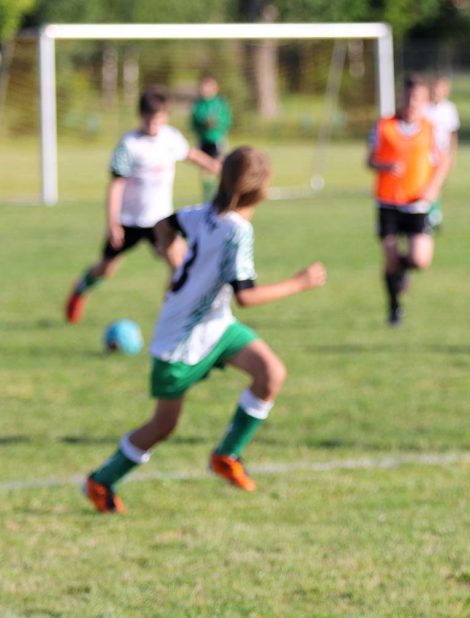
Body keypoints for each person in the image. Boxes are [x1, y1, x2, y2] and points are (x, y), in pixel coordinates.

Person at [83, 147, 327, 513]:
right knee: (163, 425)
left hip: (215, 325)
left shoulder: (204, 213)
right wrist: (300, 283)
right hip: (180, 339)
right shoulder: (237, 231)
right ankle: (101, 480)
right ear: (259, 191)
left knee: (270, 373)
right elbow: (246, 296)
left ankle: (226, 455)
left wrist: (176, 266)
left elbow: (164, 225)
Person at [64, 87, 221, 324]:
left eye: (158, 119)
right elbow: (115, 186)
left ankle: (172, 314)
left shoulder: (170, 137)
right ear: (141, 116)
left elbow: (191, 154)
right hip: (128, 221)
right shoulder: (129, 145)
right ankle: (80, 287)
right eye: (148, 119)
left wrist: (217, 168)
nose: (153, 124)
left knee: (180, 266)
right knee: (106, 269)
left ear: (165, 117)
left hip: (160, 221)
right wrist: (112, 223)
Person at [367, 74, 451, 326]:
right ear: (401, 97)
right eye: (408, 96)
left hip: (417, 203)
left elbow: (443, 161)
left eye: (418, 98)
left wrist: (433, 188)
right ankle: (394, 308)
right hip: (388, 201)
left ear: (425, 101)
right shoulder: (384, 125)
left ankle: (402, 271)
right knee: (390, 258)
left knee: (420, 259)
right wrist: (384, 165)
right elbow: (369, 160)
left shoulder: (431, 128)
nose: (412, 102)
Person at [425, 76, 460, 231]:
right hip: (425, 153)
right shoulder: (424, 107)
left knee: (437, 184)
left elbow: (453, 133)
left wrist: (452, 154)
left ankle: (434, 214)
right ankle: (430, 214)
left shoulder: (449, 108)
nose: (437, 92)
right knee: (426, 183)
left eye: (440, 89)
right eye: (434, 88)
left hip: (442, 154)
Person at [191, 74, 233, 202]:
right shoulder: (199, 105)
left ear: (215, 88)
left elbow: (227, 120)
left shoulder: (220, 103)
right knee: (205, 169)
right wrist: (204, 123)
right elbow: (194, 121)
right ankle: (207, 198)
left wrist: (217, 124)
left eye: (208, 87)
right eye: (204, 87)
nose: (205, 90)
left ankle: (222, 195)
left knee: (220, 167)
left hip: (217, 140)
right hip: (204, 140)